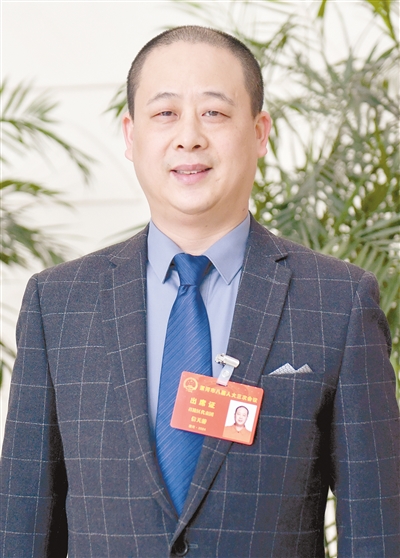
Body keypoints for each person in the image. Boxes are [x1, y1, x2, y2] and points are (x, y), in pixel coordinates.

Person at [1, 25, 399, 558]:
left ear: (259, 132)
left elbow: (377, 532)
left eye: (213, 112)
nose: (188, 136)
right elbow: (20, 526)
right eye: (165, 113)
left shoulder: (338, 302)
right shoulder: (58, 304)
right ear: (130, 135)